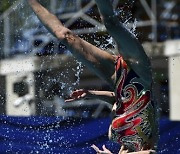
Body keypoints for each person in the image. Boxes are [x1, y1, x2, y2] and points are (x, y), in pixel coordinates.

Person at [28, 0, 158, 153]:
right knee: (111, 23)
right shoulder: (145, 146)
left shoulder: (122, 145)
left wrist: (90, 94)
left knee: (65, 37)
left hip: (118, 79)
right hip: (140, 72)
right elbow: (150, 152)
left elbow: (120, 99)